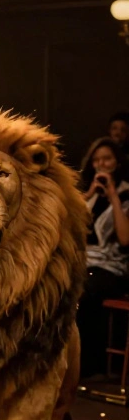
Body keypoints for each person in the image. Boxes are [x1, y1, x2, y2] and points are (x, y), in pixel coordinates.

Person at [75, 138, 129, 379]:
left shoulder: (125, 193)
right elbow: (69, 225)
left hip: (112, 268)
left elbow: (125, 238)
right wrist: (88, 195)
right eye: (97, 160)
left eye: (107, 159)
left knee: (85, 290)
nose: (101, 164)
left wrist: (113, 196)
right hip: (84, 262)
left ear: (117, 162)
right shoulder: (90, 194)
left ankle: (89, 365)